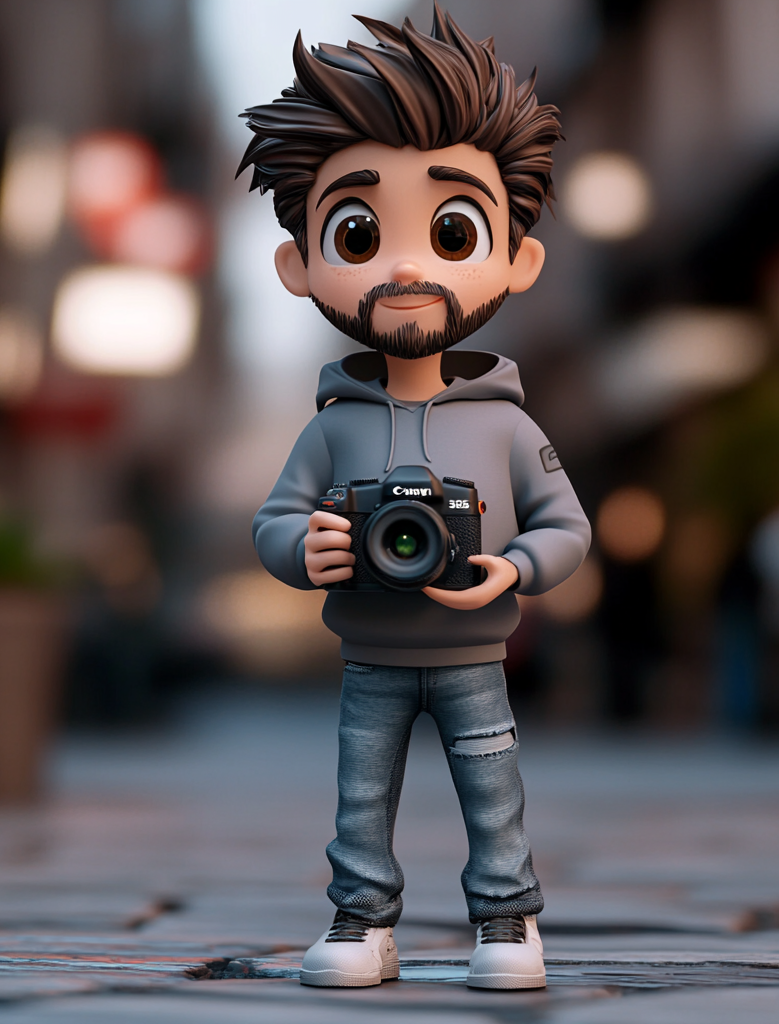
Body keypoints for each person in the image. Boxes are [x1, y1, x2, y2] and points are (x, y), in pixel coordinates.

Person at [243, 4, 590, 990]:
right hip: (370, 652)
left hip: (474, 648)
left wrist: (511, 566)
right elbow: (274, 518)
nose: (404, 265)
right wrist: (299, 548)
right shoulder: (331, 425)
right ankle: (361, 922)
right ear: (299, 263)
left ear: (518, 258)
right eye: (359, 230)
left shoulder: (510, 425)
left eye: (450, 229)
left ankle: (507, 922)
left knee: (494, 791)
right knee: (361, 795)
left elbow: (567, 525)